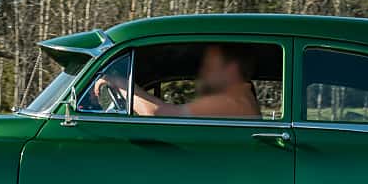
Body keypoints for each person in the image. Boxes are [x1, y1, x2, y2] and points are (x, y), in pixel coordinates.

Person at [95, 43, 261, 118]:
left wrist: (119, 83)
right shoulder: (241, 98)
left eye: (211, 66)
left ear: (231, 68)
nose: (204, 72)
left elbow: (159, 116)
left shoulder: (230, 102)